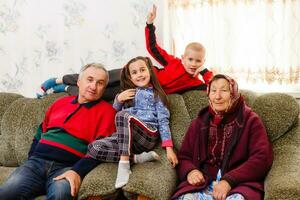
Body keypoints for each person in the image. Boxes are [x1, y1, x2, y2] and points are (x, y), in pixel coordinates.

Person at [0, 63, 116, 199]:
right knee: (7, 193)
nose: (93, 86)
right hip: (36, 163)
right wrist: (31, 159)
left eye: (100, 83)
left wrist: (77, 171)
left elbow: (101, 150)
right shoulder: (60, 103)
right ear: (79, 81)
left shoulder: (108, 112)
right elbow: (39, 133)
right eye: (89, 80)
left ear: (104, 88)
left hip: (67, 167)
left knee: (60, 195)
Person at [172, 74, 273, 200]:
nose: (217, 96)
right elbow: (184, 156)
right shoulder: (200, 122)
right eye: (213, 91)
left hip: (239, 185)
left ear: (234, 93)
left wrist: (229, 181)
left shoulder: (251, 121)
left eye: (224, 90)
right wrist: (190, 171)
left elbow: (262, 159)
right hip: (203, 183)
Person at [87, 56, 178, 189]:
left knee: (124, 115)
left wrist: (169, 148)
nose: (139, 75)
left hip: (147, 134)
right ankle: (136, 158)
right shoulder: (126, 94)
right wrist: (118, 100)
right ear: (130, 77)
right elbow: (112, 116)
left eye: (142, 70)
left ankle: (124, 166)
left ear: (150, 72)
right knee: (93, 147)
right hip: (127, 140)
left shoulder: (156, 94)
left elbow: (163, 121)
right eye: (134, 72)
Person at [145, 5, 214, 94]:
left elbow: (214, 89)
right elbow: (153, 48)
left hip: (152, 94)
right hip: (146, 79)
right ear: (183, 58)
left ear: (203, 62)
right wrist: (149, 24)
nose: (193, 64)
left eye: (198, 61)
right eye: (190, 59)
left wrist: (205, 72)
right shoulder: (173, 62)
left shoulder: (194, 83)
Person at [36, 68, 122, 102]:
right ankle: (56, 80)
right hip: (127, 74)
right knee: (95, 77)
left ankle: (65, 87)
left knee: (95, 93)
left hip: (128, 88)